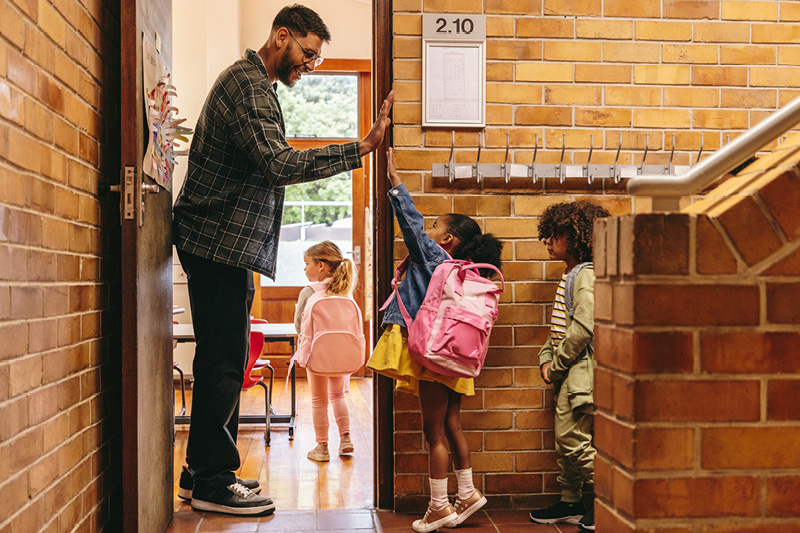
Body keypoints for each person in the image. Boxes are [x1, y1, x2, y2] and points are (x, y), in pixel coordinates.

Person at [172, 4, 394, 516]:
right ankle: (211, 480)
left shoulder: (257, 85)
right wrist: (359, 148)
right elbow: (278, 163)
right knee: (224, 361)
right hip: (217, 242)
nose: (309, 66)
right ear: (281, 36)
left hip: (227, 244)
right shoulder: (249, 86)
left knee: (225, 358)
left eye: (316, 60)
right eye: (307, 55)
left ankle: (201, 470)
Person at [368, 149, 503, 533]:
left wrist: (394, 181)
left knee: (433, 431)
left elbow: (410, 223)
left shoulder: (436, 259)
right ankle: (468, 492)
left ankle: (439, 507)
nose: (427, 233)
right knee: (452, 424)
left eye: (435, 229)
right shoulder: (470, 273)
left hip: (435, 353)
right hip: (459, 356)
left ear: (448, 239)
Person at [528, 201, 610, 532]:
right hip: (568, 367)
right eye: (546, 234)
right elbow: (559, 330)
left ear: (577, 237)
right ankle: (570, 501)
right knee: (566, 442)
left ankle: (612, 500)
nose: (548, 241)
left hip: (580, 369)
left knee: (571, 438)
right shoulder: (571, 274)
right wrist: (546, 358)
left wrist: (558, 365)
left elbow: (585, 326)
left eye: (555, 234)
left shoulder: (586, 273)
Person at [293, 241, 358, 462]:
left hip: (316, 355)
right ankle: (346, 438)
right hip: (341, 354)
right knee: (338, 395)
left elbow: (298, 325)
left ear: (321, 265)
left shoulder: (309, 292)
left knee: (319, 401)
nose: (304, 269)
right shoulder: (345, 291)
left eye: (307, 263)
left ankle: (322, 447)